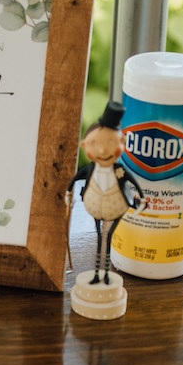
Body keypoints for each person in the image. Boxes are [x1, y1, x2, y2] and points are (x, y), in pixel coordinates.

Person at [69, 101, 141, 285]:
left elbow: (132, 182)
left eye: (110, 142)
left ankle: (106, 274)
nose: (102, 150)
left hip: (117, 206)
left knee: (108, 238)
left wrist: (140, 198)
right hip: (94, 204)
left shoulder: (119, 171)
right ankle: (96, 274)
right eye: (95, 143)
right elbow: (75, 179)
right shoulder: (91, 169)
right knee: (99, 238)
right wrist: (69, 194)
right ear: (85, 145)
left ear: (122, 143)